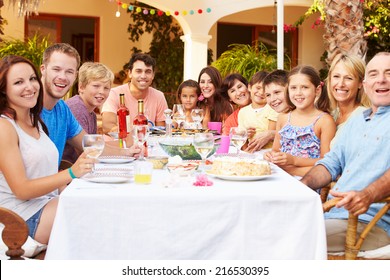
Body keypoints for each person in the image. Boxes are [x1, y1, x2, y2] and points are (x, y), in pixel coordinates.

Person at [301, 52, 390, 252]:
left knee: (290, 237)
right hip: (332, 216)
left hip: (370, 223)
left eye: (389, 73)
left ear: (358, 84)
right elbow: (330, 163)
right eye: (374, 74)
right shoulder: (357, 121)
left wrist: (368, 194)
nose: (382, 79)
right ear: (366, 84)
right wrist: (301, 186)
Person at [0, 55, 94, 245]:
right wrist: (71, 173)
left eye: (32, 79)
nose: (30, 87)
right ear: (4, 91)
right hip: (18, 218)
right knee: (92, 215)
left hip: (45, 204)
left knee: (98, 204)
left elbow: (44, 171)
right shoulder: (5, 127)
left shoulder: (35, 122)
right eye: (19, 82)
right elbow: (22, 189)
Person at [40, 43, 139, 164]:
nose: (62, 76)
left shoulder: (63, 109)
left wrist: (128, 151)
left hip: (64, 178)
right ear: (43, 70)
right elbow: (86, 154)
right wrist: (126, 144)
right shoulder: (28, 109)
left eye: (69, 72)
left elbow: (91, 145)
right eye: (56, 69)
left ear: (75, 76)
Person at [264, 65, 336, 177]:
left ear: (317, 90)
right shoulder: (283, 118)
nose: (298, 93)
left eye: (304, 87)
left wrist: (294, 161)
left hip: (308, 181)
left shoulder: (324, 121)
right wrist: (270, 156)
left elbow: (327, 163)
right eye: (293, 88)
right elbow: (275, 150)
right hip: (281, 178)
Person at [101, 53, 168, 133]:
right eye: (138, 71)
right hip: (119, 144)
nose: (143, 76)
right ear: (130, 73)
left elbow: (161, 130)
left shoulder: (158, 96)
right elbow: (108, 127)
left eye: (148, 72)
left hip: (148, 144)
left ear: (153, 75)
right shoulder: (114, 94)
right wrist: (136, 132)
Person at [62, 62, 114, 164]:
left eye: (106, 88)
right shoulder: (77, 107)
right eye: (96, 86)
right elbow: (88, 150)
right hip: (67, 169)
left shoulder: (92, 114)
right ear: (81, 87)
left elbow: (94, 147)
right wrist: (124, 152)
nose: (101, 92)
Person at [326, 53, 371, 147]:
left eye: (348, 78)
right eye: (336, 76)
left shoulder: (364, 117)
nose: (341, 84)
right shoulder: (332, 115)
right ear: (330, 79)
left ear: (360, 83)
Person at [238, 71, 278, 153]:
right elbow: (241, 139)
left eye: (265, 90)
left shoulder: (272, 108)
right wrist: (245, 135)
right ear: (249, 87)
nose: (261, 92)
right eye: (258, 88)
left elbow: (270, 135)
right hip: (250, 152)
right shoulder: (243, 112)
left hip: (269, 151)